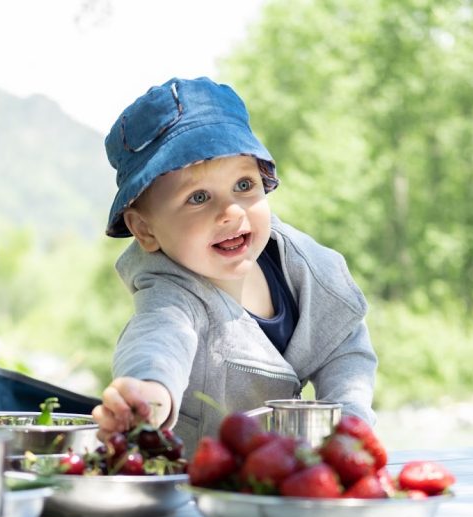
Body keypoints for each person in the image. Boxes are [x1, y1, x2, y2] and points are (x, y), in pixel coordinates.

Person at [92, 76, 378, 447]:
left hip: (273, 476)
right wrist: (149, 392)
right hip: (194, 482)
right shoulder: (172, 292)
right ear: (145, 229)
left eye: (243, 185)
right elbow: (160, 338)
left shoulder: (307, 270)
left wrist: (349, 424)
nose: (230, 211)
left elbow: (343, 344)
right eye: (198, 198)